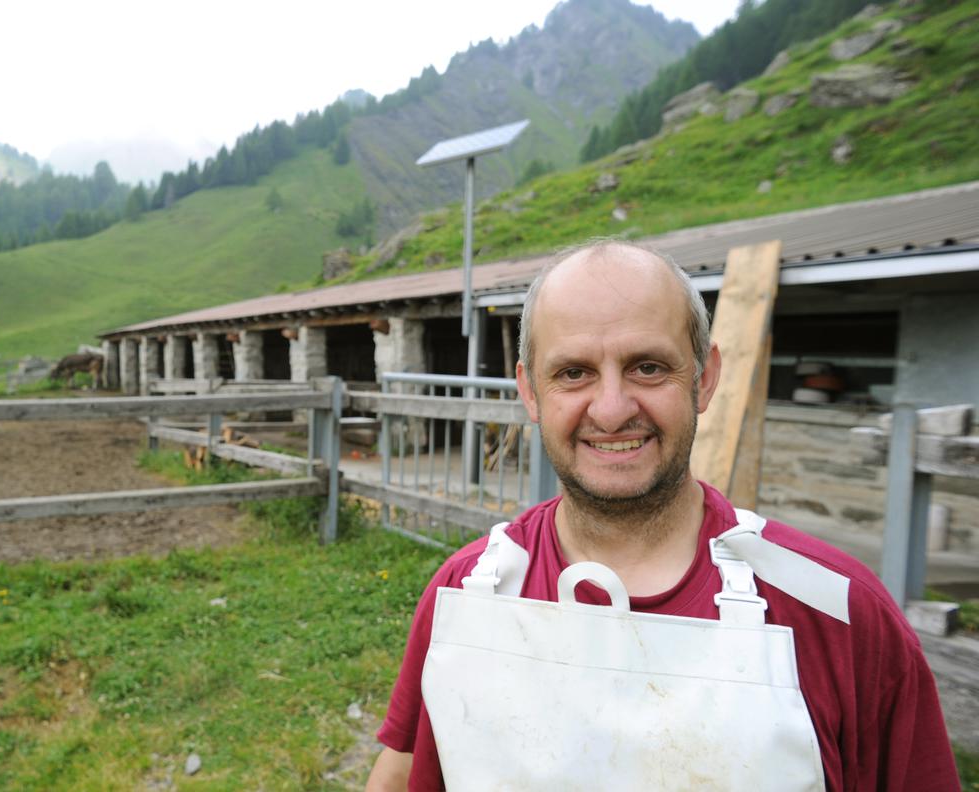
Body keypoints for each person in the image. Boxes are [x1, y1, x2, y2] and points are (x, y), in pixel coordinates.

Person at [365, 241, 960, 791]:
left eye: (648, 367)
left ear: (704, 378)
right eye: (573, 373)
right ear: (530, 393)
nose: (614, 408)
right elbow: (400, 775)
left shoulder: (841, 613)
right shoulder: (469, 592)